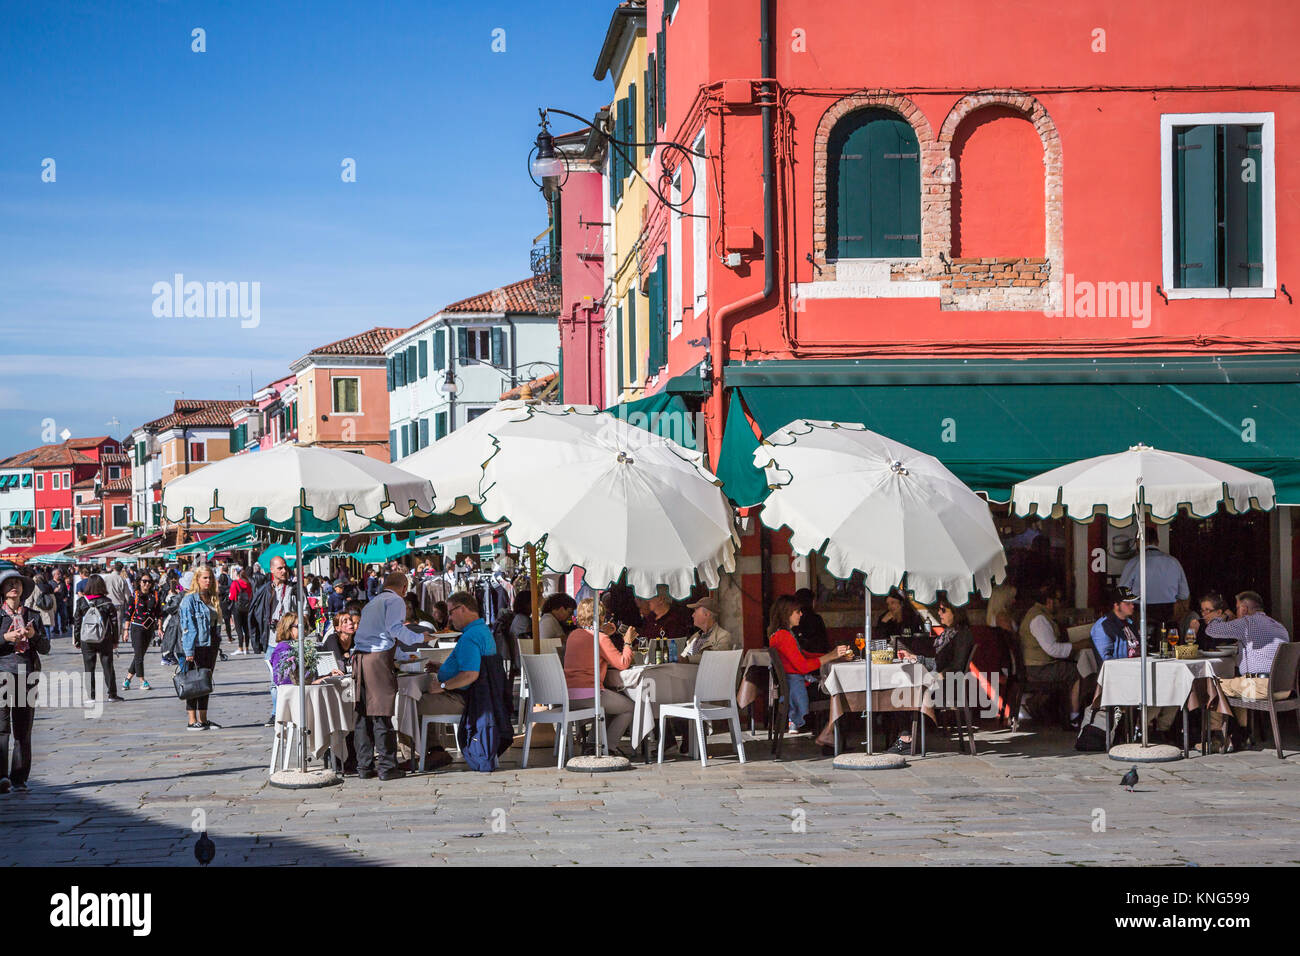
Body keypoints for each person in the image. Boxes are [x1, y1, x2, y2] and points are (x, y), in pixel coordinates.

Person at [351, 571, 432, 780]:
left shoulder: (372, 603)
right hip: (377, 661)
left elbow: (381, 634)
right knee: (381, 713)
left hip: (360, 658)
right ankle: (387, 766)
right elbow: (395, 630)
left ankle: (364, 766)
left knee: (363, 715)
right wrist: (420, 637)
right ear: (404, 588)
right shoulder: (395, 601)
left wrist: (404, 654)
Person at [1194, 590, 1290, 752]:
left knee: (1211, 684)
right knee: (1236, 681)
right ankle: (1244, 734)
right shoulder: (1278, 626)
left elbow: (1213, 630)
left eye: (1237, 608)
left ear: (1244, 609)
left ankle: (1215, 738)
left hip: (1260, 687)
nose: (1236, 611)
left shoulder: (1247, 622)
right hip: (1284, 689)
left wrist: (1222, 617)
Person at [889, 596, 977, 754]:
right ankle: (906, 736)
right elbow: (938, 663)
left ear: (956, 612)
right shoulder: (950, 633)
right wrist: (916, 658)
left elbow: (956, 667)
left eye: (943, 610)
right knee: (901, 685)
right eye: (939, 609)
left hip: (949, 687)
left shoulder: (962, 635)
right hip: (941, 682)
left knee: (901, 692)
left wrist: (933, 678)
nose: (939, 613)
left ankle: (906, 738)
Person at [561, 596, 636, 755]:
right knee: (630, 707)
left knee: (609, 704)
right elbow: (622, 663)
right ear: (601, 617)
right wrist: (628, 642)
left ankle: (592, 744)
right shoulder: (600, 638)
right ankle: (608, 747)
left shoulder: (573, 636)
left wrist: (603, 633)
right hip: (590, 695)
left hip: (568, 696)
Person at [767, 595, 851, 734]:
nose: (801, 614)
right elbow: (803, 666)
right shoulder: (784, 636)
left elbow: (804, 655)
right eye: (797, 612)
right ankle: (829, 737)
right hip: (797, 688)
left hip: (792, 686)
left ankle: (829, 736)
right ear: (786, 613)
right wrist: (831, 656)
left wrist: (833, 656)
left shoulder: (780, 634)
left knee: (833, 686)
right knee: (838, 690)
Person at [0, 569, 50, 793]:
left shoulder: (33, 616)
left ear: (23, 589)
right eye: (9, 583)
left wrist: (33, 636)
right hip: (2, 675)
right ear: (2, 590)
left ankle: (19, 777)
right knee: (1, 729)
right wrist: (5, 638)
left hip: (27, 676)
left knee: (23, 729)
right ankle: (1, 777)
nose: (14, 586)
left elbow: (46, 648)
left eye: (17, 583)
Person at [1017, 584, 1082, 726]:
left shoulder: (1036, 614)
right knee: (1077, 671)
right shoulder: (1039, 619)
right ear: (1049, 601)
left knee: (1069, 666)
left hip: (1036, 666)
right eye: (1058, 600)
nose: (1060, 604)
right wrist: (1079, 646)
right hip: (1039, 669)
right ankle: (1074, 717)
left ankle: (1037, 703)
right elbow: (1052, 650)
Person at [1119, 525, 1189, 629]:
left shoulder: (1135, 562)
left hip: (1141, 614)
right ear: (1157, 542)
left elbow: (1122, 591)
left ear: (1138, 542)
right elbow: (1184, 594)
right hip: (1169, 614)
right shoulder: (1174, 562)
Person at [180, 566, 222, 731]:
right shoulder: (189, 600)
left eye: (210, 578)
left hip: (210, 645)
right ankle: (192, 720)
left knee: (205, 682)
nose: (208, 581)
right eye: (204, 578)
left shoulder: (212, 597)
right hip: (196, 646)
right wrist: (189, 651)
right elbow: (187, 627)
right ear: (197, 579)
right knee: (192, 682)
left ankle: (203, 719)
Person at [74, 575, 123, 703]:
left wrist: (77, 639)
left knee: (88, 667)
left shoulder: (81, 602)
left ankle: (91, 696)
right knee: (108, 666)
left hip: (86, 639)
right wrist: (115, 640)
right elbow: (114, 623)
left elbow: (77, 622)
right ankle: (112, 694)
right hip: (104, 638)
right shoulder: (107, 602)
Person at [249, 555, 297, 658]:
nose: (284, 571)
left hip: (291, 643)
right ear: (272, 570)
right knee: (274, 673)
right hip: (272, 642)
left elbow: (305, 613)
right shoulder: (265, 590)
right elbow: (255, 616)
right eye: (280, 568)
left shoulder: (294, 589)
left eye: (285, 568)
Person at [122, 572, 162, 692]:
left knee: (139, 655)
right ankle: (142, 680)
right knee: (139, 655)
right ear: (139, 582)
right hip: (137, 628)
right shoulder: (134, 596)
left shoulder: (155, 595)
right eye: (144, 581)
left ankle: (127, 679)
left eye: (149, 581)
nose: (147, 584)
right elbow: (128, 615)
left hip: (149, 628)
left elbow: (159, 613)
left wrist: (159, 628)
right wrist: (126, 631)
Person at [680, 595, 738, 663]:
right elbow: (683, 656)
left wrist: (688, 659)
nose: (693, 615)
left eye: (695, 611)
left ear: (706, 614)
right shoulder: (694, 637)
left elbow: (716, 657)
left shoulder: (723, 636)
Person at [876, 586, 931, 655]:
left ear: (901, 604)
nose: (890, 607)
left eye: (893, 603)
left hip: (911, 653)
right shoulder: (884, 618)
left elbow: (919, 638)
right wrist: (883, 622)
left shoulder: (912, 616)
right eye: (888, 604)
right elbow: (878, 641)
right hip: (890, 654)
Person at [103, 564, 131, 652]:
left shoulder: (106, 578)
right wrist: (129, 604)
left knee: (106, 623)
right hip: (118, 605)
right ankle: (115, 642)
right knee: (117, 624)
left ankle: (106, 640)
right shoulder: (122, 580)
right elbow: (127, 595)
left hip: (107, 604)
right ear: (121, 569)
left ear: (113, 568)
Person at [792, 588, 829, 654]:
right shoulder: (816, 619)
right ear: (811, 602)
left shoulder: (793, 618)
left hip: (800, 654)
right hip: (817, 656)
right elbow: (824, 643)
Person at [229, 566, 253, 655]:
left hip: (237, 607)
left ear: (238, 574)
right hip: (246, 607)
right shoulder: (248, 583)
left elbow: (232, 596)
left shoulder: (235, 583)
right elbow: (251, 595)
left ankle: (240, 648)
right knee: (246, 628)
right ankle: (247, 648)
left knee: (239, 628)